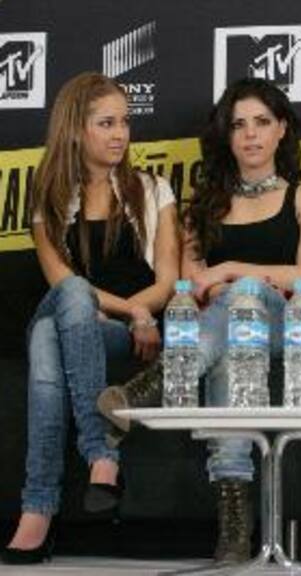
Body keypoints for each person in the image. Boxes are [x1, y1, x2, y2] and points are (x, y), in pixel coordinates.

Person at [103, 77, 301, 563]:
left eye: (262, 122)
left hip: (290, 330)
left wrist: (231, 272)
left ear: (282, 129)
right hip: (227, 331)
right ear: (226, 135)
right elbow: (191, 284)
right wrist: (230, 285)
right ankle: (234, 527)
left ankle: (157, 381)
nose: (251, 134)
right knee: (234, 335)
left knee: (245, 296)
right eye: (239, 125)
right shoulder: (204, 205)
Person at [1, 72, 179, 565]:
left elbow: (168, 281)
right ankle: (101, 453)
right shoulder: (50, 195)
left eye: (124, 122)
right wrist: (136, 310)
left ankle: (38, 509)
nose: (120, 134)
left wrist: (138, 311)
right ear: (76, 130)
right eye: (106, 123)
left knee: (46, 339)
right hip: (83, 312)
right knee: (73, 296)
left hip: (113, 333)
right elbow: (60, 281)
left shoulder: (154, 189)